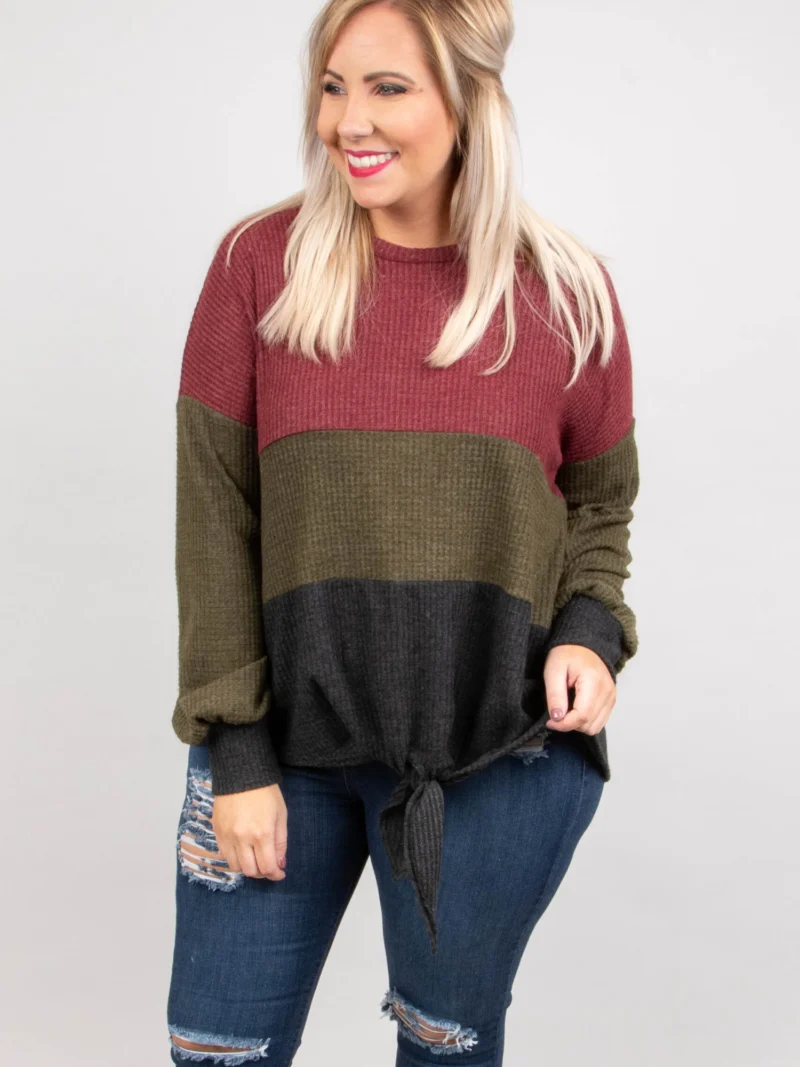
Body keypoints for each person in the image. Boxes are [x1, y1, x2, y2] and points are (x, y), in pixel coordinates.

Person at [166, 1, 640, 1063]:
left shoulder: (565, 293)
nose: (348, 121)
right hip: (283, 746)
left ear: (470, 100)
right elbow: (215, 516)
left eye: (388, 87)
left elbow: (601, 502)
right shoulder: (259, 266)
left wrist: (588, 632)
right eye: (333, 86)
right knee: (215, 1049)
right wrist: (236, 749)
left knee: (444, 1047)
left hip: (495, 751)